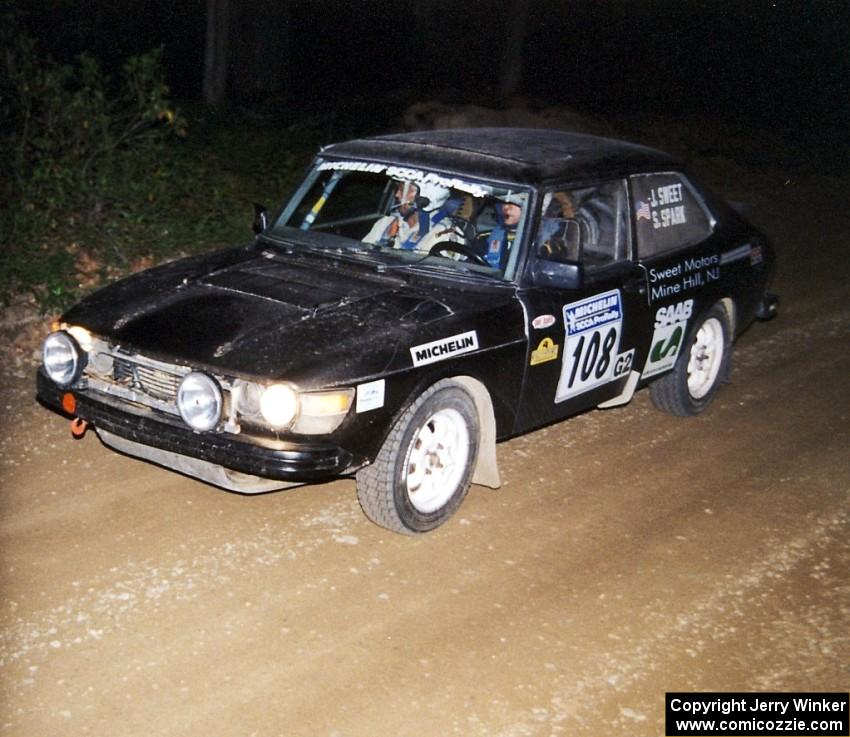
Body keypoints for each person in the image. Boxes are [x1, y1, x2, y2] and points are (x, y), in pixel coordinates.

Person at [363, 179, 459, 252]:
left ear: (425, 199)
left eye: (403, 190)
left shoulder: (443, 233)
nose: (396, 195)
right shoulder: (386, 223)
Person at [471, 193, 524, 269]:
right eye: (503, 202)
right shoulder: (484, 238)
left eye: (512, 203)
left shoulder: (535, 245)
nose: (506, 207)